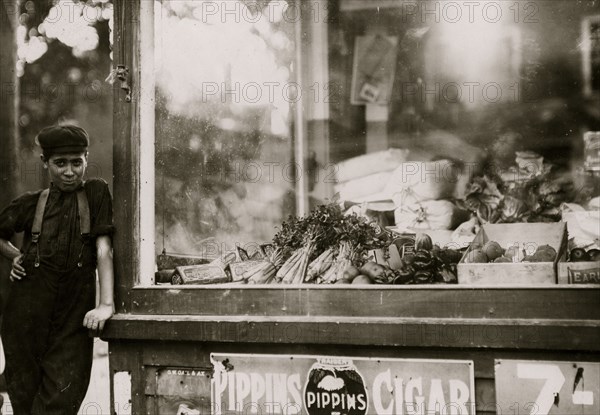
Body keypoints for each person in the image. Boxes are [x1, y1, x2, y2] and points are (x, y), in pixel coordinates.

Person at [0, 124, 114, 414]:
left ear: (86, 158)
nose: (69, 171)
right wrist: (15, 255)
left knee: (61, 402)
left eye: (77, 162)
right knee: (24, 400)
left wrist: (106, 304)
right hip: (25, 318)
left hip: (72, 317)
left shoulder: (96, 193)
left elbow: (103, 249)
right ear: (45, 163)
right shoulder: (31, 203)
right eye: (59, 163)